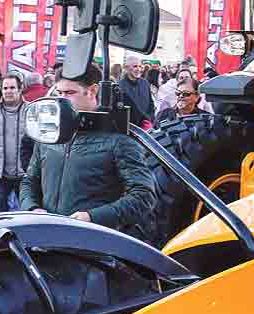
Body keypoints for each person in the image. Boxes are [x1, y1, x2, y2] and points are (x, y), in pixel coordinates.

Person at [20, 64, 157, 240]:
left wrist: (93, 217)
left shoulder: (118, 141)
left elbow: (143, 196)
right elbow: (29, 180)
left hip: (93, 248)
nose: (61, 100)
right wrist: (32, 208)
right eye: (59, 93)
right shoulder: (50, 136)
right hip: (47, 242)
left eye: (69, 93)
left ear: (92, 91)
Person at [0, 73, 34, 214]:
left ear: (20, 89)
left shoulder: (31, 111)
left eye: (12, 87)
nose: (8, 91)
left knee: (27, 215)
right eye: (5, 88)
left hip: (25, 176)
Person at [117, 58, 156, 125]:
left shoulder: (145, 83)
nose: (138, 69)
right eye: (135, 66)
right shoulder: (120, 86)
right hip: (129, 126)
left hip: (146, 125)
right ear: (126, 68)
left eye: (140, 66)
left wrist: (150, 119)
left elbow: (150, 103)